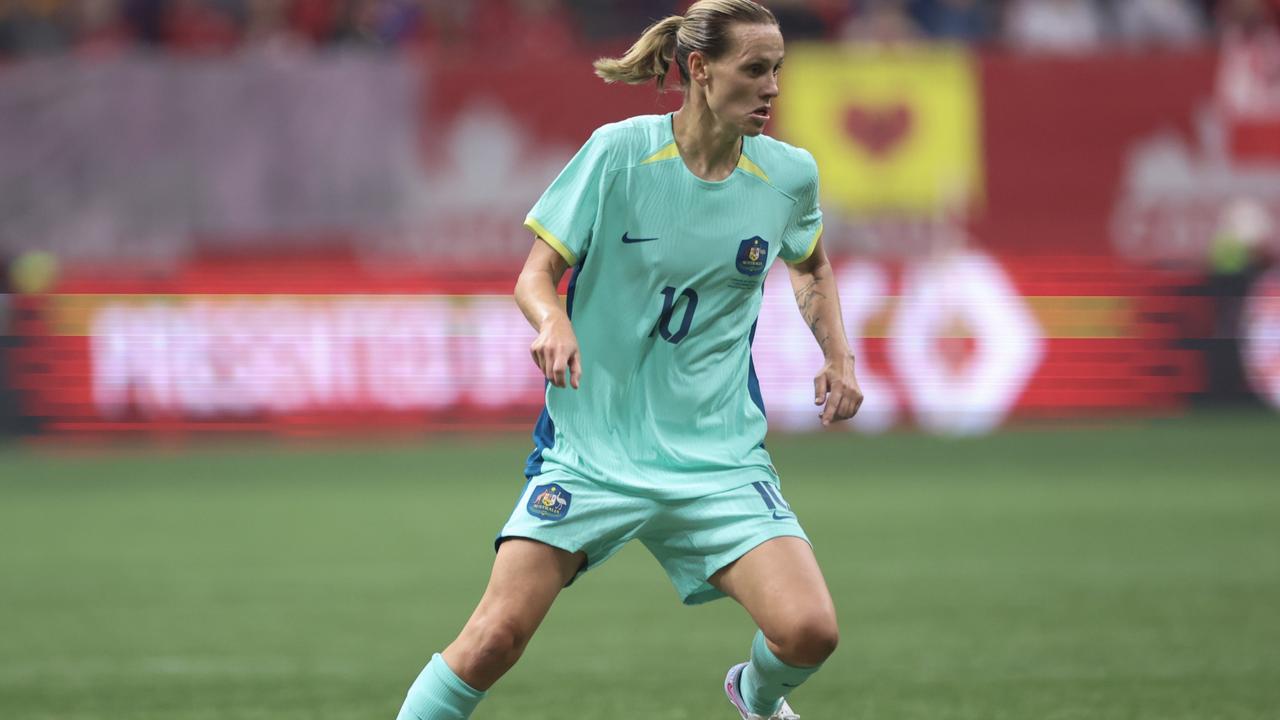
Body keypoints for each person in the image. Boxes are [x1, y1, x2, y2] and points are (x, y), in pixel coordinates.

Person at [394, 2, 864, 719]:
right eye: (755, 70)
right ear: (700, 69)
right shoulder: (618, 155)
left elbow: (812, 267)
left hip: (718, 459)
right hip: (593, 452)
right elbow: (533, 275)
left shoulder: (788, 176)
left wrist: (839, 356)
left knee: (809, 632)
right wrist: (553, 322)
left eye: (778, 70)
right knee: (493, 638)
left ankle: (757, 698)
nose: (773, 87)